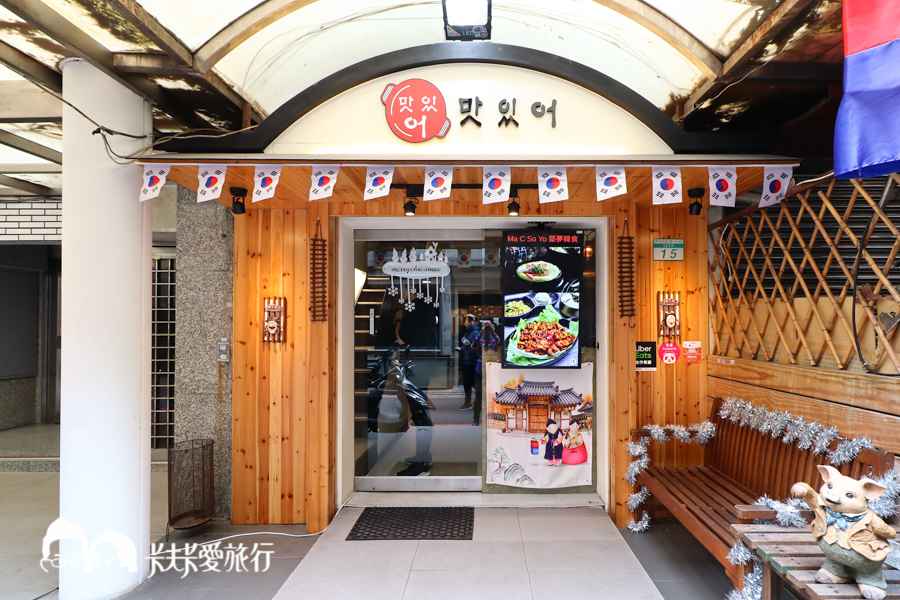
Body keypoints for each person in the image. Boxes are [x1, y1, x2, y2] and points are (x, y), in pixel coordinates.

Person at [471, 320, 500, 426]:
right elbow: (473, 345)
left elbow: (500, 344)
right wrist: (480, 333)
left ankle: (491, 420)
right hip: (480, 368)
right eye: (485, 326)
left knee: (492, 395)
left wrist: (493, 333)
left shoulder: (494, 337)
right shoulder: (480, 337)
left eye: (489, 326)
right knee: (478, 395)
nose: (487, 328)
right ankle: (475, 420)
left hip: (491, 369)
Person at [454, 314, 480, 411]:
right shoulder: (470, 331)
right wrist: (462, 348)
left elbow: (474, 347)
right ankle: (477, 399)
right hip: (469, 360)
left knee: (467, 382)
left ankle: (468, 402)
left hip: (472, 361)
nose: (465, 323)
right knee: (470, 382)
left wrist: (463, 349)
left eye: (467, 321)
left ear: (472, 322)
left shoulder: (474, 333)